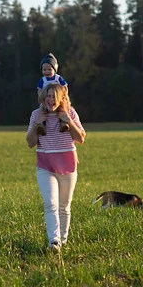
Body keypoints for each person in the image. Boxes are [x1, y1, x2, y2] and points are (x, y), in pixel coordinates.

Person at [26, 83, 86, 252]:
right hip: (45, 166)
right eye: (48, 96)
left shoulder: (70, 112)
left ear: (61, 98)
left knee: (64, 206)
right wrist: (37, 124)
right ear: (43, 97)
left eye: (54, 96)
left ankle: (64, 239)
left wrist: (68, 120)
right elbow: (30, 143)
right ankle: (54, 242)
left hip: (68, 166)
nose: (51, 100)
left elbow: (80, 138)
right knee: (50, 204)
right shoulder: (36, 114)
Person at [35, 53, 69, 135]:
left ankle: (64, 123)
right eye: (44, 70)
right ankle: (41, 125)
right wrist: (40, 98)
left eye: (49, 69)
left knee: (63, 110)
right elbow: (39, 90)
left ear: (55, 69)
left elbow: (65, 87)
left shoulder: (58, 78)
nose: (47, 72)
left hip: (58, 99)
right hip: (46, 101)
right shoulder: (43, 80)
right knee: (41, 111)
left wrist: (64, 96)